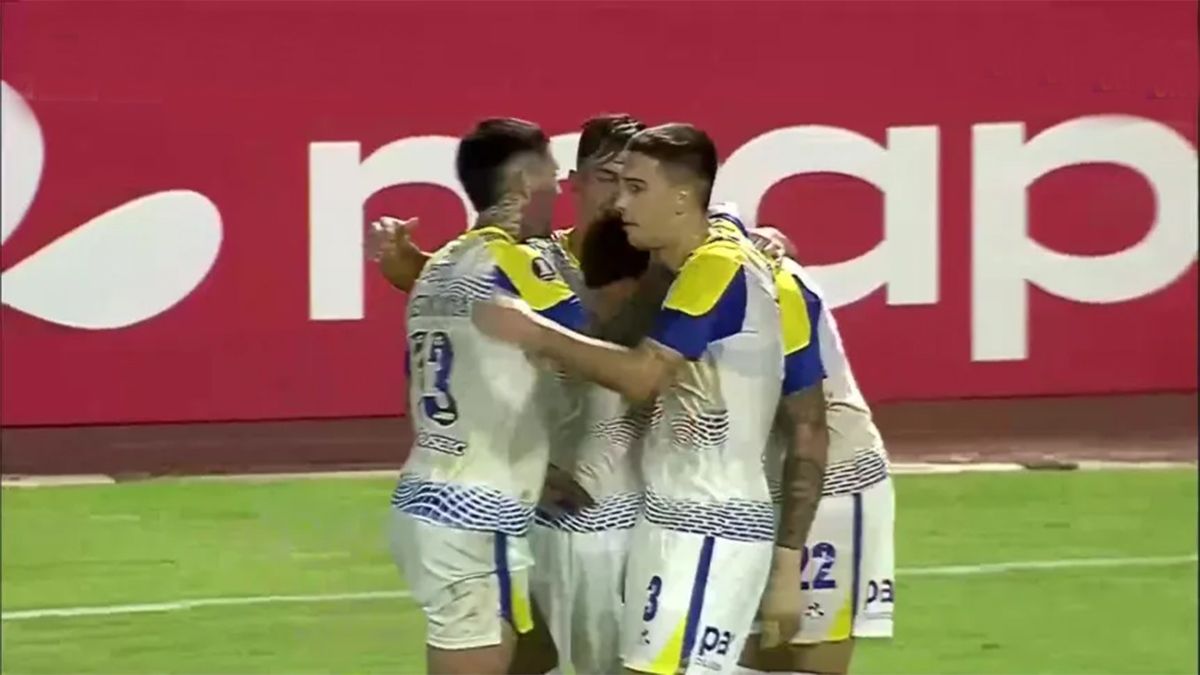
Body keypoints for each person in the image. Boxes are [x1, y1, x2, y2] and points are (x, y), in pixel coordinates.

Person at [472, 123, 786, 675]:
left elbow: (641, 377)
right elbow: (615, 342)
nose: (620, 202)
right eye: (613, 182)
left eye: (636, 187)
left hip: (712, 519)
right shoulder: (677, 265)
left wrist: (534, 332)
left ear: (682, 198)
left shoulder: (717, 265)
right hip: (668, 518)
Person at [385, 117, 585, 675]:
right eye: (552, 176)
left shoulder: (438, 267)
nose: (560, 189)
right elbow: (599, 343)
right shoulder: (518, 262)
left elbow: (434, 381)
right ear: (522, 183)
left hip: (431, 490)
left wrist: (536, 466)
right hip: (475, 513)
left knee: (534, 654)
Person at [737, 227, 896, 675]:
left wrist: (787, 563)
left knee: (791, 655)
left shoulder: (758, 277)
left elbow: (808, 425)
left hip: (827, 484)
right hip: (744, 491)